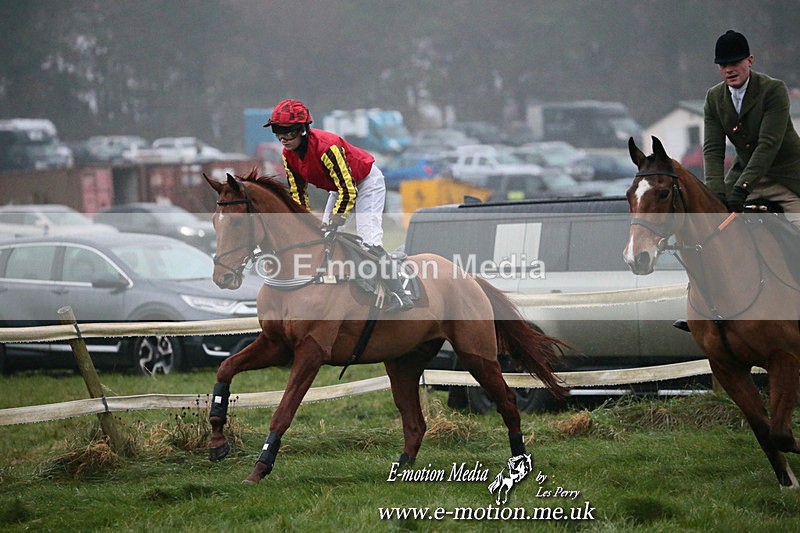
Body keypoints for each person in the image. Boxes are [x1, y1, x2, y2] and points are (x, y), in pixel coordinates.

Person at [264, 98, 413, 312]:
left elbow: (350, 190)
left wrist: (335, 221)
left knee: (368, 240)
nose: (283, 138)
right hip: (340, 188)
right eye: (277, 131)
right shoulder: (288, 155)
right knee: (322, 238)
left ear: (303, 129)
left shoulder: (327, 147)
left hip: (366, 182)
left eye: (288, 131)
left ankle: (400, 294)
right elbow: (298, 194)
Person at [703, 30, 800, 228]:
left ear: (750, 60)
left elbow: (768, 144)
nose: (729, 70)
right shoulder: (713, 98)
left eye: (735, 63)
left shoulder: (774, 90)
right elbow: (713, 150)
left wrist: (742, 187)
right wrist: (716, 191)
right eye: (723, 65)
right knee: (712, 229)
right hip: (743, 176)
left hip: (787, 178)